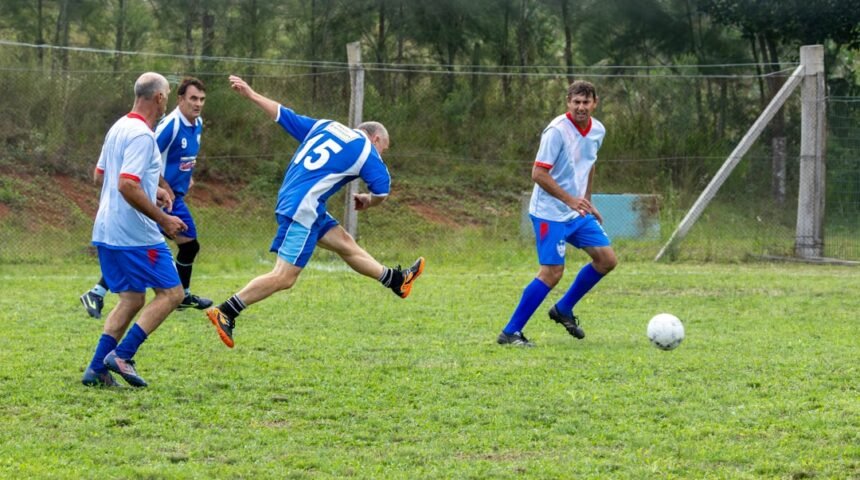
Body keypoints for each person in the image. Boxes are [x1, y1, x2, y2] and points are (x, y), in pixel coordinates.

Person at [205, 75, 425, 349]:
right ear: (376, 138)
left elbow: (284, 115)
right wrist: (369, 201)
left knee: (345, 243)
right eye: (384, 149)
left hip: (298, 199)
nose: (382, 155)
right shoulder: (367, 150)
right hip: (304, 208)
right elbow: (382, 190)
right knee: (284, 277)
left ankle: (396, 280)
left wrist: (251, 94)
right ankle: (227, 310)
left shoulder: (327, 127)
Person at [81, 72, 187, 387]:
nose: (166, 99)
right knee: (172, 293)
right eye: (167, 94)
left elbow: (102, 177)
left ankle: (96, 370)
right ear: (158, 97)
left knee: (131, 299)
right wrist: (163, 218)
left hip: (106, 229)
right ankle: (122, 355)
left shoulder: (118, 127)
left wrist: (151, 188)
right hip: (135, 234)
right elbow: (127, 184)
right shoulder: (142, 135)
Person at [80, 77, 213, 318]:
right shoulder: (163, 127)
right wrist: (160, 186)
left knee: (144, 262)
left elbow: (102, 175)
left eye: (202, 99)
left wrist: (185, 178)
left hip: (163, 198)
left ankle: (99, 293)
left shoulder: (197, 124)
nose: (198, 104)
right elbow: (146, 161)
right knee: (185, 245)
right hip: (161, 199)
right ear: (177, 99)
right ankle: (180, 295)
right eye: (193, 98)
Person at [497, 80, 617, 347]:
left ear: (595, 103)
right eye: (576, 102)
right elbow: (538, 174)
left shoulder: (598, 130)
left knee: (606, 259)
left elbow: (590, 164)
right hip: (548, 213)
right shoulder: (556, 131)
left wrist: (586, 200)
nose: (581, 107)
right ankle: (510, 332)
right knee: (552, 272)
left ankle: (563, 309)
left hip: (575, 211)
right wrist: (570, 200)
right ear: (568, 103)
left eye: (586, 102)